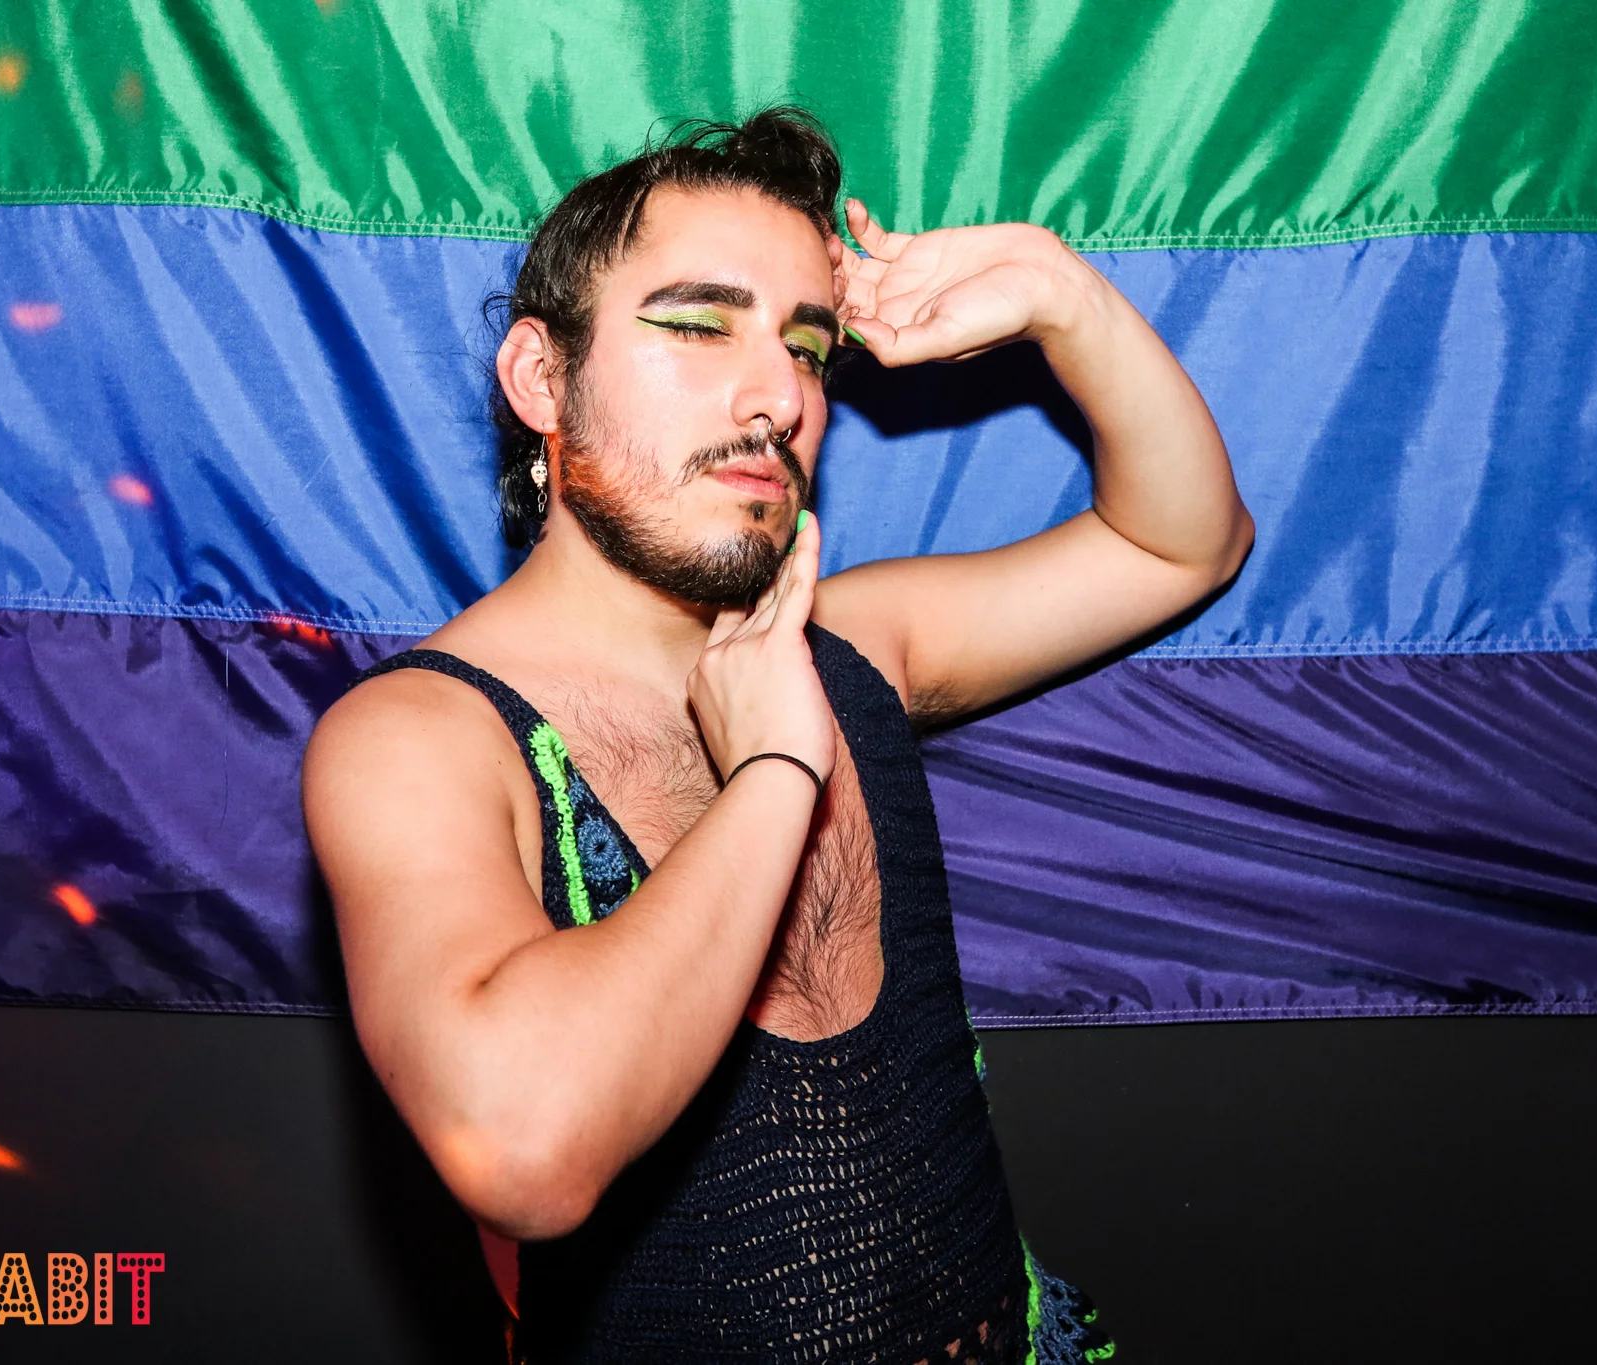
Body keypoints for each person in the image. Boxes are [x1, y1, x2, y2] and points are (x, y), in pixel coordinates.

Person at [304, 108, 1251, 1363]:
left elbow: (1181, 543)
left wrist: (1059, 296)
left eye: (806, 347)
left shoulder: (851, 645)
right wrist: (771, 770)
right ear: (541, 379)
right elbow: (522, 1152)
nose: (777, 399)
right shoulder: (420, 735)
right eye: (698, 325)